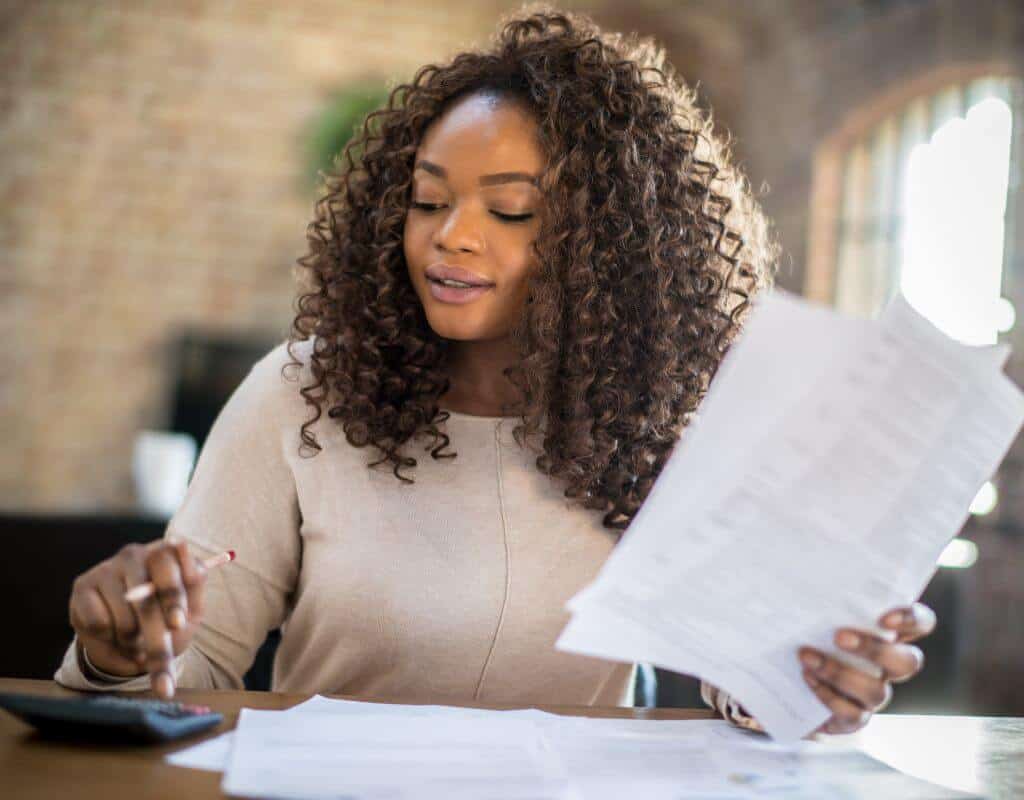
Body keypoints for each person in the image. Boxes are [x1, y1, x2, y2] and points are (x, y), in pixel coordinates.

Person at [55, 6, 934, 736]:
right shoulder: (301, 396)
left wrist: (814, 682)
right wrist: (118, 652)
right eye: (429, 200)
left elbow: (742, 679)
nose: (451, 235)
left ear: (613, 249)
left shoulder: (668, 427)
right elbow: (185, 667)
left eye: (510, 211)